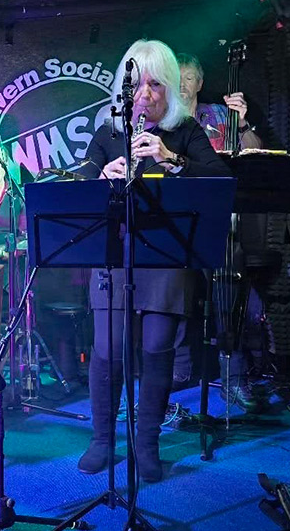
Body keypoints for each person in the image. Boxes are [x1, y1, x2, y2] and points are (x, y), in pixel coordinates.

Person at [76, 39, 230, 483]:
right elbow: (79, 178)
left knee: (157, 347)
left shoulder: (185, 131)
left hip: (166, 257)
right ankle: (102, 439)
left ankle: (147, 443)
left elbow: (220, 180)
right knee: (108, 348)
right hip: (114, 254)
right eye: (138, 85)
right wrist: (100, 176)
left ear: (171, 88)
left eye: (156, 85)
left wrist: (171, 158)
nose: (146, 94)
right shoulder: (109, 132)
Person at [177, 52, 265, 412]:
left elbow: (255, 154)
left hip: (219, 221)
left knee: (229, 294)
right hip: (177, 221)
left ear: (199, 83)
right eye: (176, 77)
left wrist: (242, 124)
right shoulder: (160, 119)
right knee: (169, 296)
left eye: (188, 77)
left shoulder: (218, 115)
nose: (182, 84)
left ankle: (234, 376)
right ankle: (176, 374)